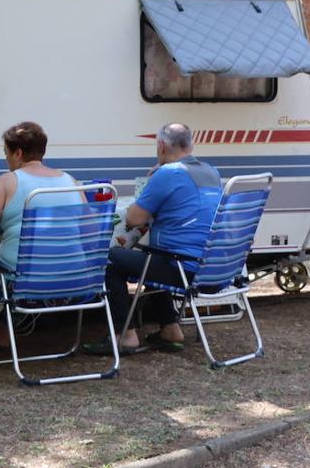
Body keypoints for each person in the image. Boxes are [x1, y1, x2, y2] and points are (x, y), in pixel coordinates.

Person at [84, 123, 222, 356]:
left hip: (185, 269)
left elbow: (134, 218)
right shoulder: (210, 171)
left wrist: (156, 179)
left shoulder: (169, 173)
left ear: (160, 145)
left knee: (111, 258)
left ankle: (124, 336)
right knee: (156, 255)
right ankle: (170, 330)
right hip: (215, 268)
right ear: (191, 144)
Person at [0, 122, 83, 350]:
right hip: (73, 283)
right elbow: (84, 226)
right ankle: (3, 333)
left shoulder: (9, 181)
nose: (6, 160)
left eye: (7, 154)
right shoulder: (70, 181)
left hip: (25, 287)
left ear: (18, 153)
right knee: (9, 268)